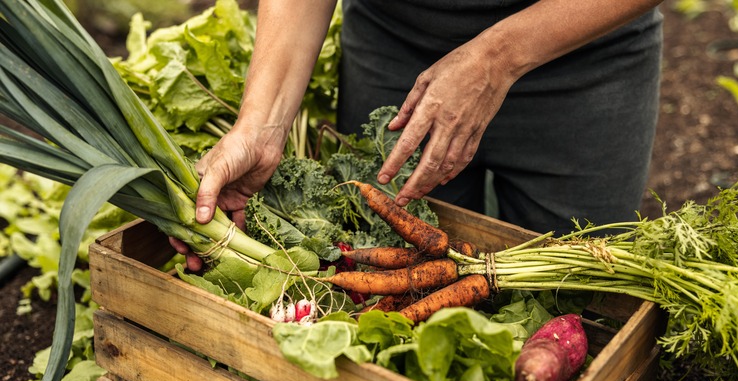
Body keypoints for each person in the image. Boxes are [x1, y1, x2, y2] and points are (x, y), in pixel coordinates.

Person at [172, 0, 664, 270]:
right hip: (396, 47)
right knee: (383, 267)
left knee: (578, 294)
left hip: (582, 55)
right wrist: (263, 125)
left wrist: (495, 58)